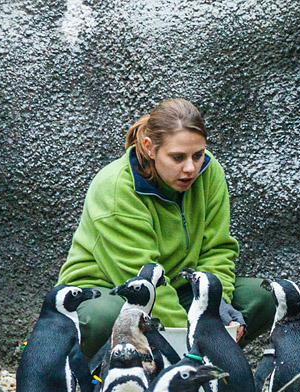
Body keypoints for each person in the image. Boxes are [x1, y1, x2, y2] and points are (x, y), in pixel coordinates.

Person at [56, 98, 274, 359]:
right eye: (177, 157)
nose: (191, 168)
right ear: (149, 147)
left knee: (263, 297)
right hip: (113, 290)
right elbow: (144, 282)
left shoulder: (209, 171)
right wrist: (196, 339)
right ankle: (115, 375)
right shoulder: (115, 189)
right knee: (99, 319)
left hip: (181, 287)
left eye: (198, 154)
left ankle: (199, 362)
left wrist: (214, 304)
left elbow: (217, 249)